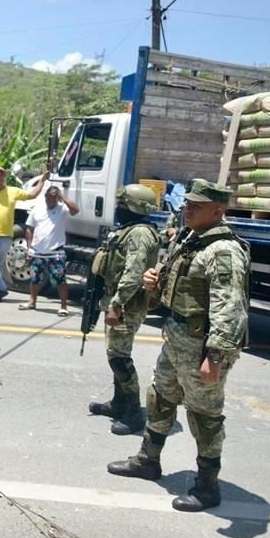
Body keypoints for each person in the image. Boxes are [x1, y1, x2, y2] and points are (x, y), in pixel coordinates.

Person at [108, 180, 250, 513]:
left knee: (204, 416)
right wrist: (153, 283)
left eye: (196, 206)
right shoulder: (189, 240)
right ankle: (148, 460)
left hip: (201, 345)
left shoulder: (223, 250)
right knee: (161, 397)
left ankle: (207, 486)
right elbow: (172, 285)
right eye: (187, 204)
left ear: (218, 211)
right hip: (176, 336)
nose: (188, 209)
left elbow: (229, 308)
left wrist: (214, 356)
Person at [87, 185, 162, 435]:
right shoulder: (130, 231)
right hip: (119, 301)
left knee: (119, 357)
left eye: (122, 204)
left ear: (133, 207)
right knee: (114, 353)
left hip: (127, 305)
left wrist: (116, 305)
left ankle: (132, 413)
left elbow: (134, 272)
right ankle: (119, 403)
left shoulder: (140, 233)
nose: (118, 209)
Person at [0, 167, 46, 303]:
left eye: (2, 175)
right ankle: (2, 287)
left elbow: (32, 195)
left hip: (6, 235)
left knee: (0, 265)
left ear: (5, 177)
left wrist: (42, 180)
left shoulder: (12, 191)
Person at [23, 185, 80, 314]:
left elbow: (75, 210)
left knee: (60, 279)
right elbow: (29, 228)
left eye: (54, 198)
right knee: (35, 278)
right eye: (49, 197)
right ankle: (32, 302)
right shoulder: (37, 209)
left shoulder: (62, 209)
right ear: (45, 197)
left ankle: (63, 306)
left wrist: (62, 196)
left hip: (55, 251)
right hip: (37, 251)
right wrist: (28, 247)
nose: (51, 200)